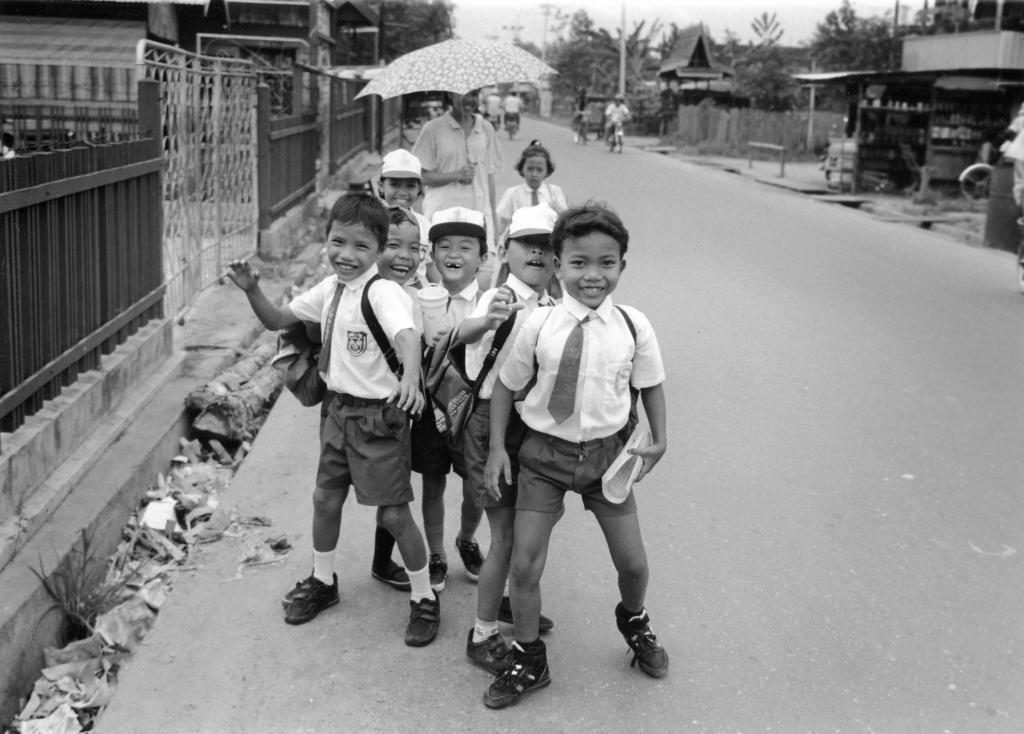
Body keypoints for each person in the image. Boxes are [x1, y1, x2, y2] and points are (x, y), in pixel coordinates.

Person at [225, 193, 441, 647]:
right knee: (325, 498)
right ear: (327, 239)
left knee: (394, 513)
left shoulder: (383, 292)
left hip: (380, 418)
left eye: (361, 246)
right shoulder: (330, 289)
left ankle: (424, 597)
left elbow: (405, 335)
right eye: (339, 242)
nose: (347, 255)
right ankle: (323, 580)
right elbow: (279, 319)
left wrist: (411, 380)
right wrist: (252, 291)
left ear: (379, 250)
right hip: (338, 412)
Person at [481, 203, 669, 709]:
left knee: (633, 563)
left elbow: (650, 383)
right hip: (543, 455)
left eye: (606, 263)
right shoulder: (538, 325)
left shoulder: (633, 325)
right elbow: (504, 386)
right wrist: (499, 448)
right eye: (579, 262)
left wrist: (661, 437)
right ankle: (529, 656)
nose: (593, 275)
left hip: (608, 456)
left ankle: (633, 618)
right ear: (557, 265)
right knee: (525, 565)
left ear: (622, 267)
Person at [458, 204, 560, 675]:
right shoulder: (498, 297)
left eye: (548, 244)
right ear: (506, 250)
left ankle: (512, 603)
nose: (538, 251)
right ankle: (481, 633)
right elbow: (471, 332)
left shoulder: (553, 305)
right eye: (527, 242)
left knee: (523, 531)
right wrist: (489, 320)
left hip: (529, 425)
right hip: (489, 423)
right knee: (504, 536)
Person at [412, 207, 491, 591]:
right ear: (432, 253)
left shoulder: (489, 304)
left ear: (483, 258)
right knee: (432, 480)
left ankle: (467, 537)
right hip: (431, 407)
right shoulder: (422, 299)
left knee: (476, 484)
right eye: (444, 245)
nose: (453, 254)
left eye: (465, 246)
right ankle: (436, 553)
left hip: (472, 408)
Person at [412, 89, 503, 289]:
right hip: (441, 214)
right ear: (450, 96)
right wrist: (456, 175)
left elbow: (489, 177)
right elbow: (420, 175)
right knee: (442, 280)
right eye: (463, 94)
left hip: (479, 213)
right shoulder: (433, 129)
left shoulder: (485, 128)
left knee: (484, 278)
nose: (469, 100)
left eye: (474, 94)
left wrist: (494, 224)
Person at [377, 148, 434, 284]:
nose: (402, 192)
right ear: (381, 186)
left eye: (410, 186)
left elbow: (430, 267)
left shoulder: (425, 225)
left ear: (419, 189)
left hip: (415, 293)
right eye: (395, 185)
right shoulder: (369, 221)